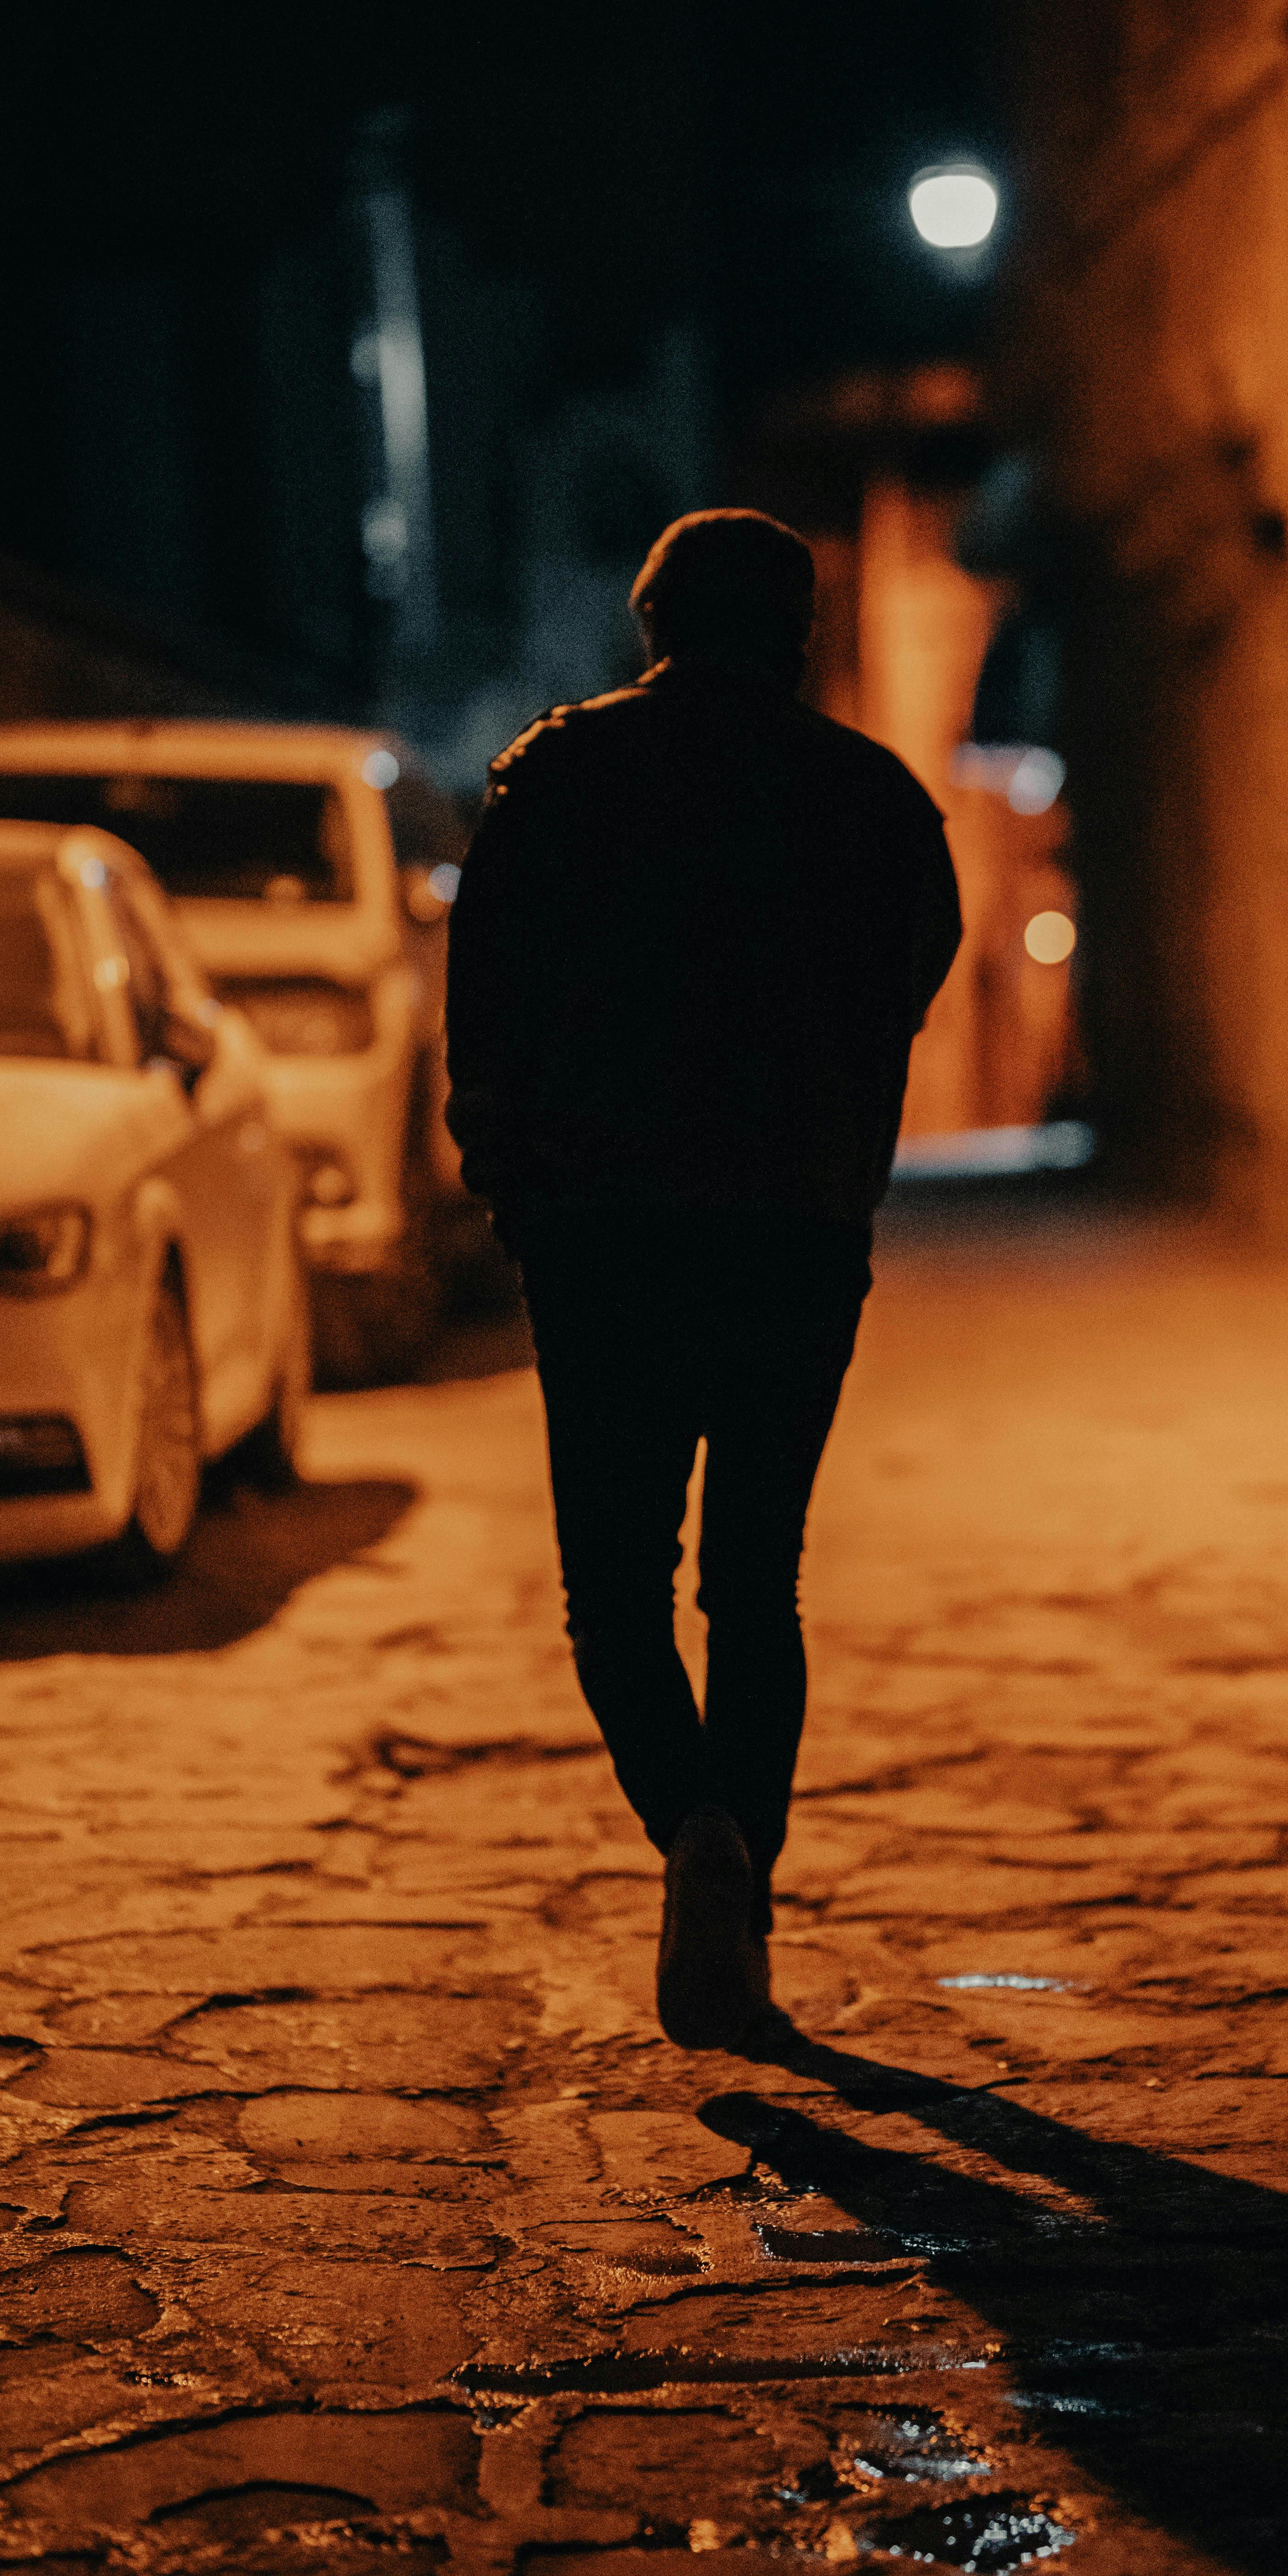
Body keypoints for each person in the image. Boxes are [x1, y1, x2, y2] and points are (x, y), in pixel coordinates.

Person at [445, 508, 962, 2051]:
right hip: (795, 1233)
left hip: (603, 1236)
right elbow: (907, 985)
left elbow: (486, 1003)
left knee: (613, 1592)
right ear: (797, 631)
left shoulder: (558, 778)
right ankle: (744, 1891)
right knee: (755, 1580)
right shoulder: (874, 800)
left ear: (652, 619)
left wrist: (513, 1180)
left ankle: (694, 1840)